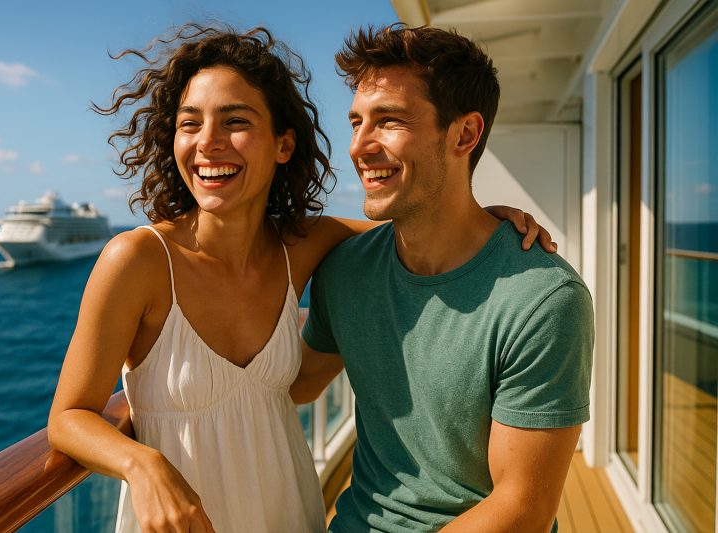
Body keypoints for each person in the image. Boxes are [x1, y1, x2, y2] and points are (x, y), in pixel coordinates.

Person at [47, 23, 554, 533]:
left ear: (283, 145)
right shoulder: (136, 259)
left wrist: (489, 217)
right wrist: (142, 466)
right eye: (189, 123)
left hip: (292, 516)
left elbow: (423, 224)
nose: (208, 143)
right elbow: (69, 417)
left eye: (235, 121)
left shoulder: (305, 247)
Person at [294, 24, 594, 532]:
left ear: (465, 134)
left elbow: (523, 510)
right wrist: (151, 398)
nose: (359, 146)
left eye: (388, 121)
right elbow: (297, 382)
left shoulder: (542, 298)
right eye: (356, 122)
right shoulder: (345, 271)